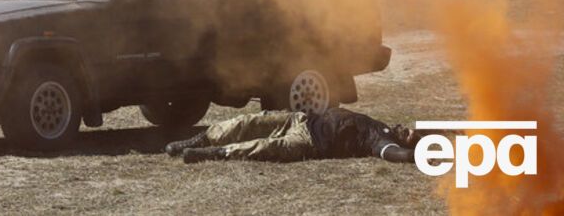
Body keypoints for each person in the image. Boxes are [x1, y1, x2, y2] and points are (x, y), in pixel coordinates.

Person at [165, 108, 418, 164]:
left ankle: (211, 153)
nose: (405, 129)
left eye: (408, 134)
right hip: (301, 119)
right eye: (408, 128)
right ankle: (200, 139)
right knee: (248, 122)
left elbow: (393, 154)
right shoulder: (381, 125)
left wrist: (414, 155)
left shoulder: (382, 141)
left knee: (263, 147)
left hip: (309, 142)